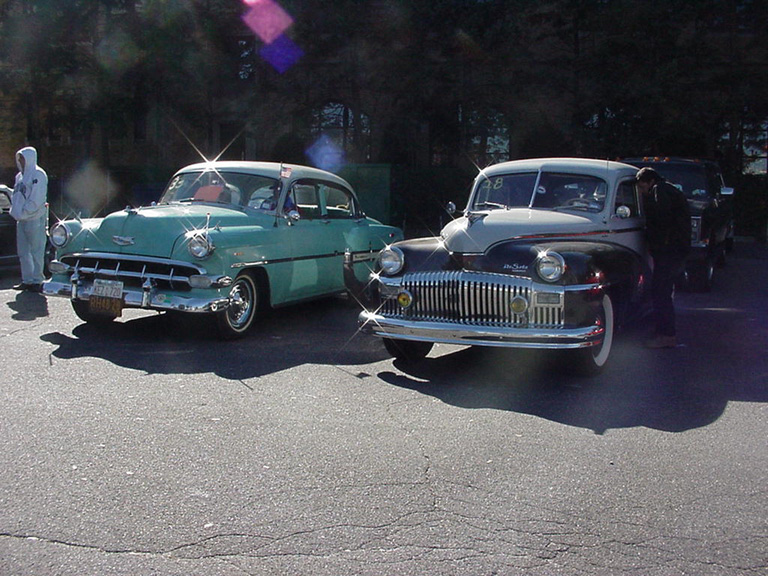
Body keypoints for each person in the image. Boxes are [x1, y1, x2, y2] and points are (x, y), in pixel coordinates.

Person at [635, 167, 691, 348]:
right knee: (663, 291)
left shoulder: (660, 191)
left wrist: (654, 240)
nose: (642, 193)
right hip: (674, 249)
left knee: (660, 292)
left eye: (642, 188)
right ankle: (664, 331)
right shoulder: (670, 189)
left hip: (668, 250)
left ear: (649, 181)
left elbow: (661, 218)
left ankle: (666, 334)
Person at [9, 146, 48, 292]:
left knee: (36, 250)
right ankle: (27, 280)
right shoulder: (19, 177)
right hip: (21, 219)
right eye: (19, 158)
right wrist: (16, 212)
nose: (21, 161)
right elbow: (16, 196)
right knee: (23, 251)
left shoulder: (39, 174)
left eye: (23, 158)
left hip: (35, 218)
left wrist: (26, 211)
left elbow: (37, 198)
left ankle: (38, 281)